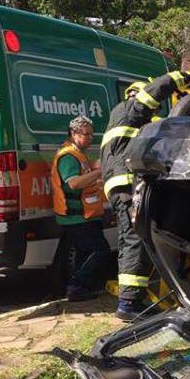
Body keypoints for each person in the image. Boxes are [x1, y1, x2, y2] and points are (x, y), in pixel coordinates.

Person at [101, 70, 190, 320]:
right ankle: (128, 304)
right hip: (126, 184)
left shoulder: (129, 121)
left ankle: (138, 298)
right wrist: (180, 78)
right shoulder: (128, 109)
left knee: (142, 237)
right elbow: (151, 95)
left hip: (127, 184)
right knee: (134, 239)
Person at [50, 116, 111, 302]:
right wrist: (99, 173)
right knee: (99, 251)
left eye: (92, 134)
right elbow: (74, 183)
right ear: (74, 134)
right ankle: (76, 285)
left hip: (85, 215)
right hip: (76, 216)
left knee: (84, 253)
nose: (91, 138)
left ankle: (79, 289)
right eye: (87, 134)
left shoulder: (78, 153)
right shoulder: (68, 156)